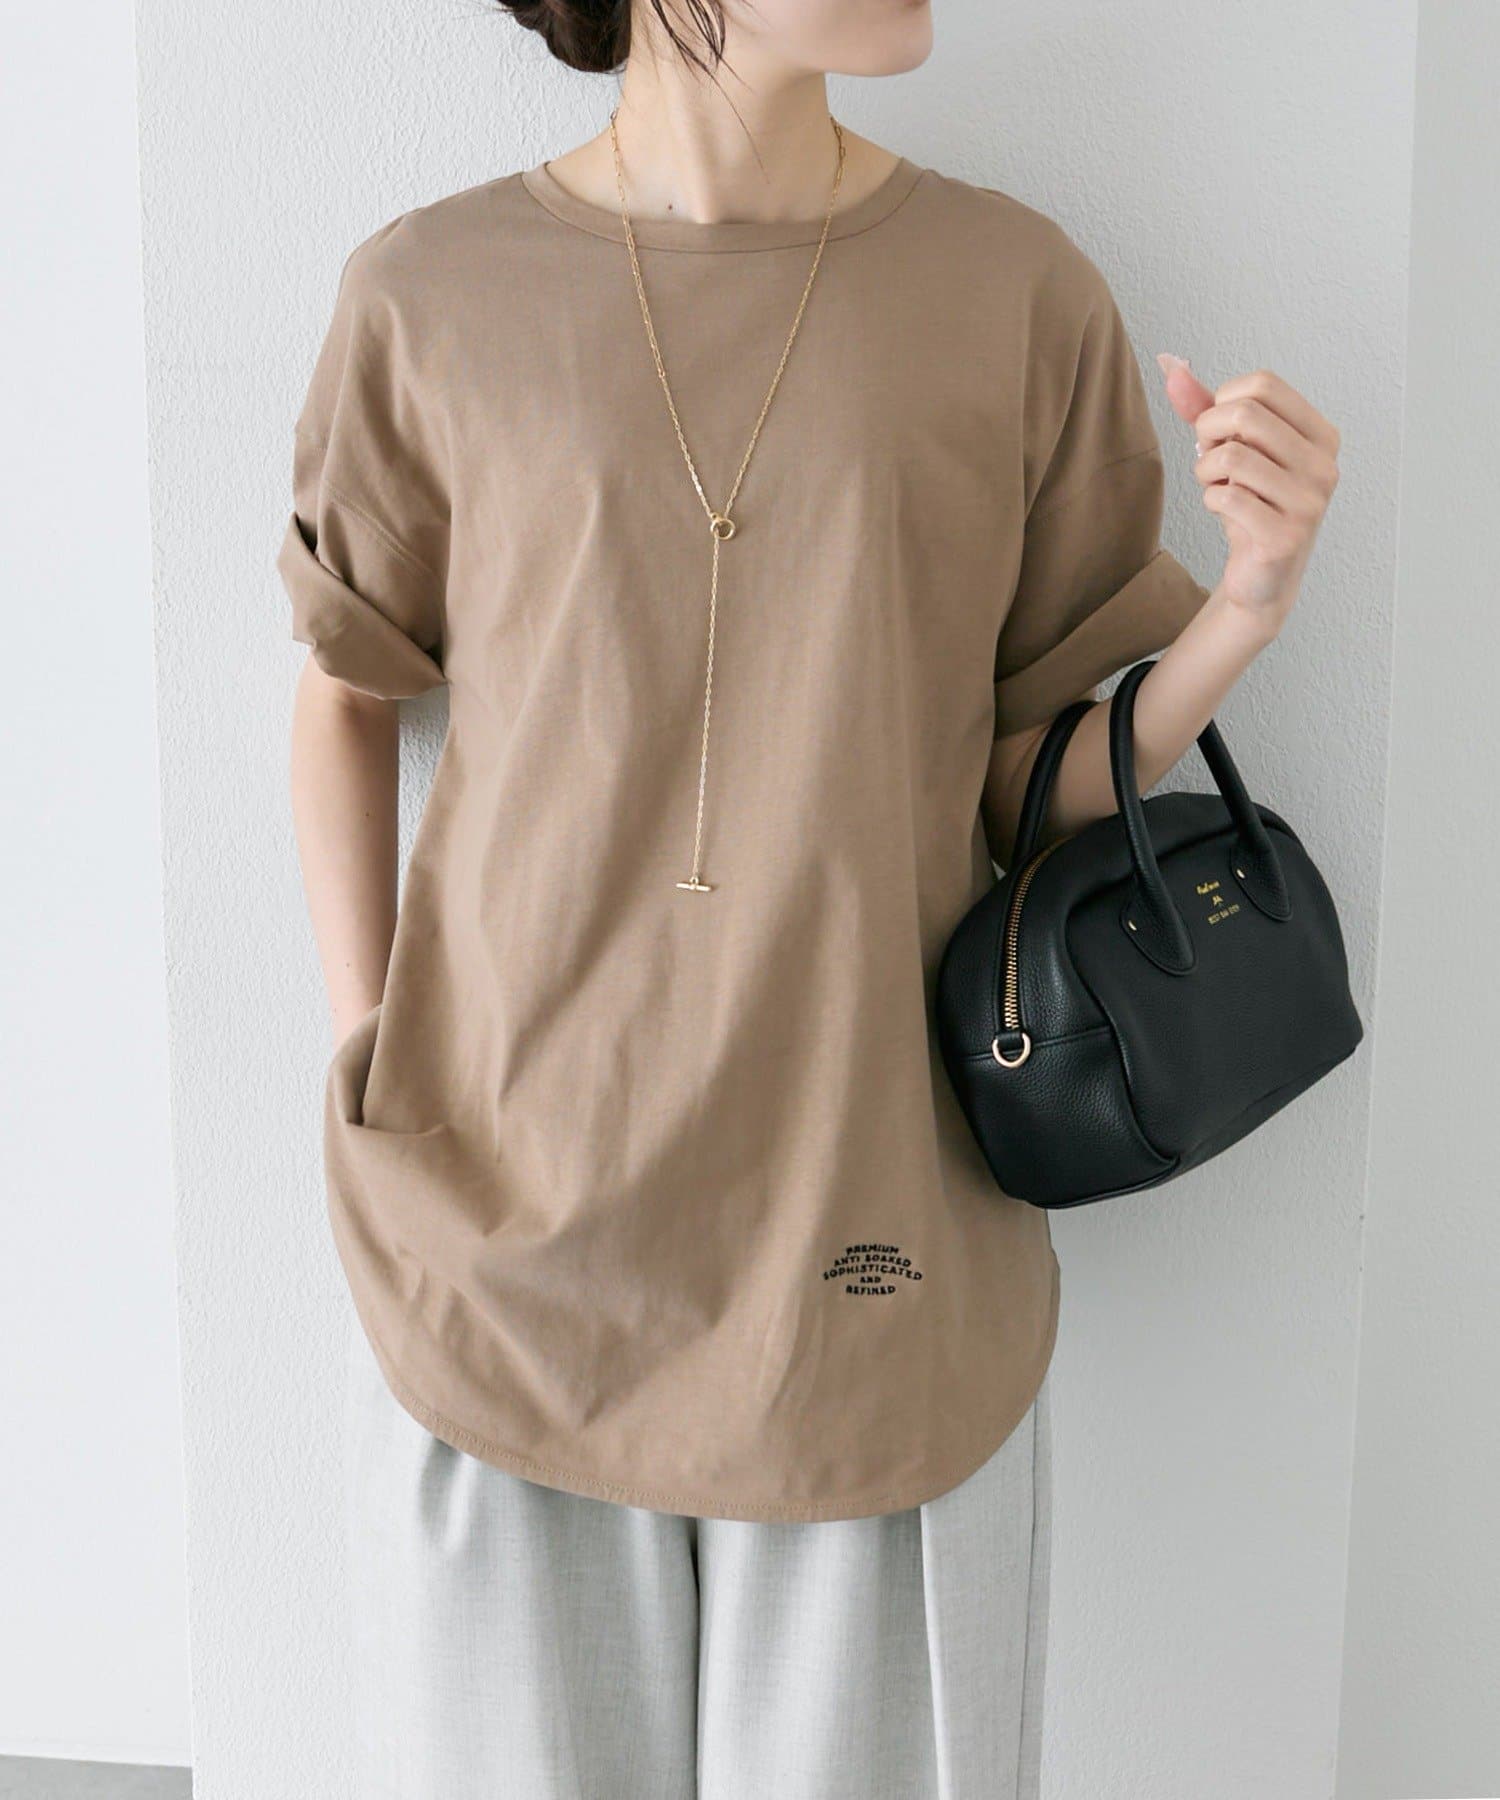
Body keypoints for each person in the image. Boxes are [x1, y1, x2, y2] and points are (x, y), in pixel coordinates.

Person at [282, 1, 1340, 1794]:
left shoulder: (1012, 295)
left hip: (873, 1245)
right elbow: (343, 692)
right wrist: (375, 1060)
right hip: (504, 1249)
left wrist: (1245, 608)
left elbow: (1030, 788)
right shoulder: (429, 295)